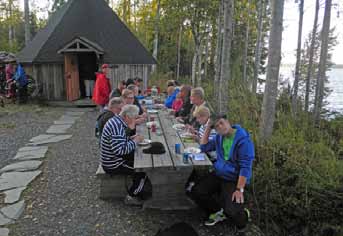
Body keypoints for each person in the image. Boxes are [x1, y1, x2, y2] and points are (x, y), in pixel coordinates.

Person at [188, 114, 254, 235]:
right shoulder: (219, 137)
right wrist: (208, 127)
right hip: (218, 173)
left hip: (233, 179)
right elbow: (204, 147)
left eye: (221, 123)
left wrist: (239, 189)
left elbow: (245, 168)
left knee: (233, 212)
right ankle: (217, 211)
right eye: (216, 126)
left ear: (228, 122)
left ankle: (244, 215)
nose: (220, 127)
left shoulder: (243, 141)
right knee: (196, 191)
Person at [100, 105, 150, 205]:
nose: (135, 119)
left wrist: (130, 138)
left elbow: (119, 141)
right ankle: (131, 197)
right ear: (127, 116)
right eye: (134, 117)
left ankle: (138, 187)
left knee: (141, 158)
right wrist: (135, 141)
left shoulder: (117, 120)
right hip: (113, 163)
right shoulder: (117, 127)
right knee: (143, 171)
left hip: (111, 157)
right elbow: (120, 151)